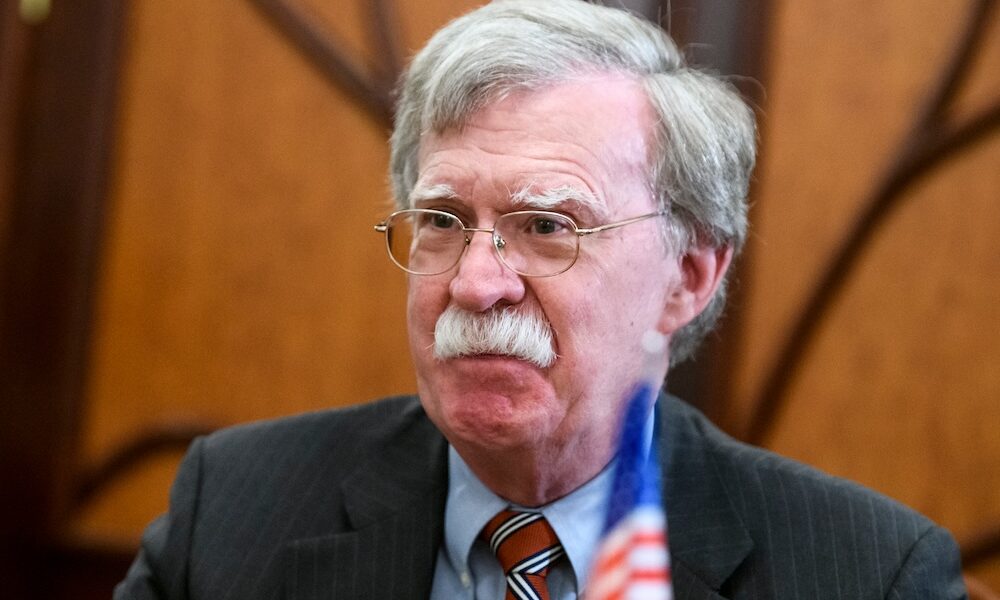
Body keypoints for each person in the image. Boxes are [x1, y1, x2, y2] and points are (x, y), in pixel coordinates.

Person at [115, 1, 967, 598]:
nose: (475, 283)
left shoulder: (867, 574)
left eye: (547, 226)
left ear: (687, 277)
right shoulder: (233, 511)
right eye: (442, 220)